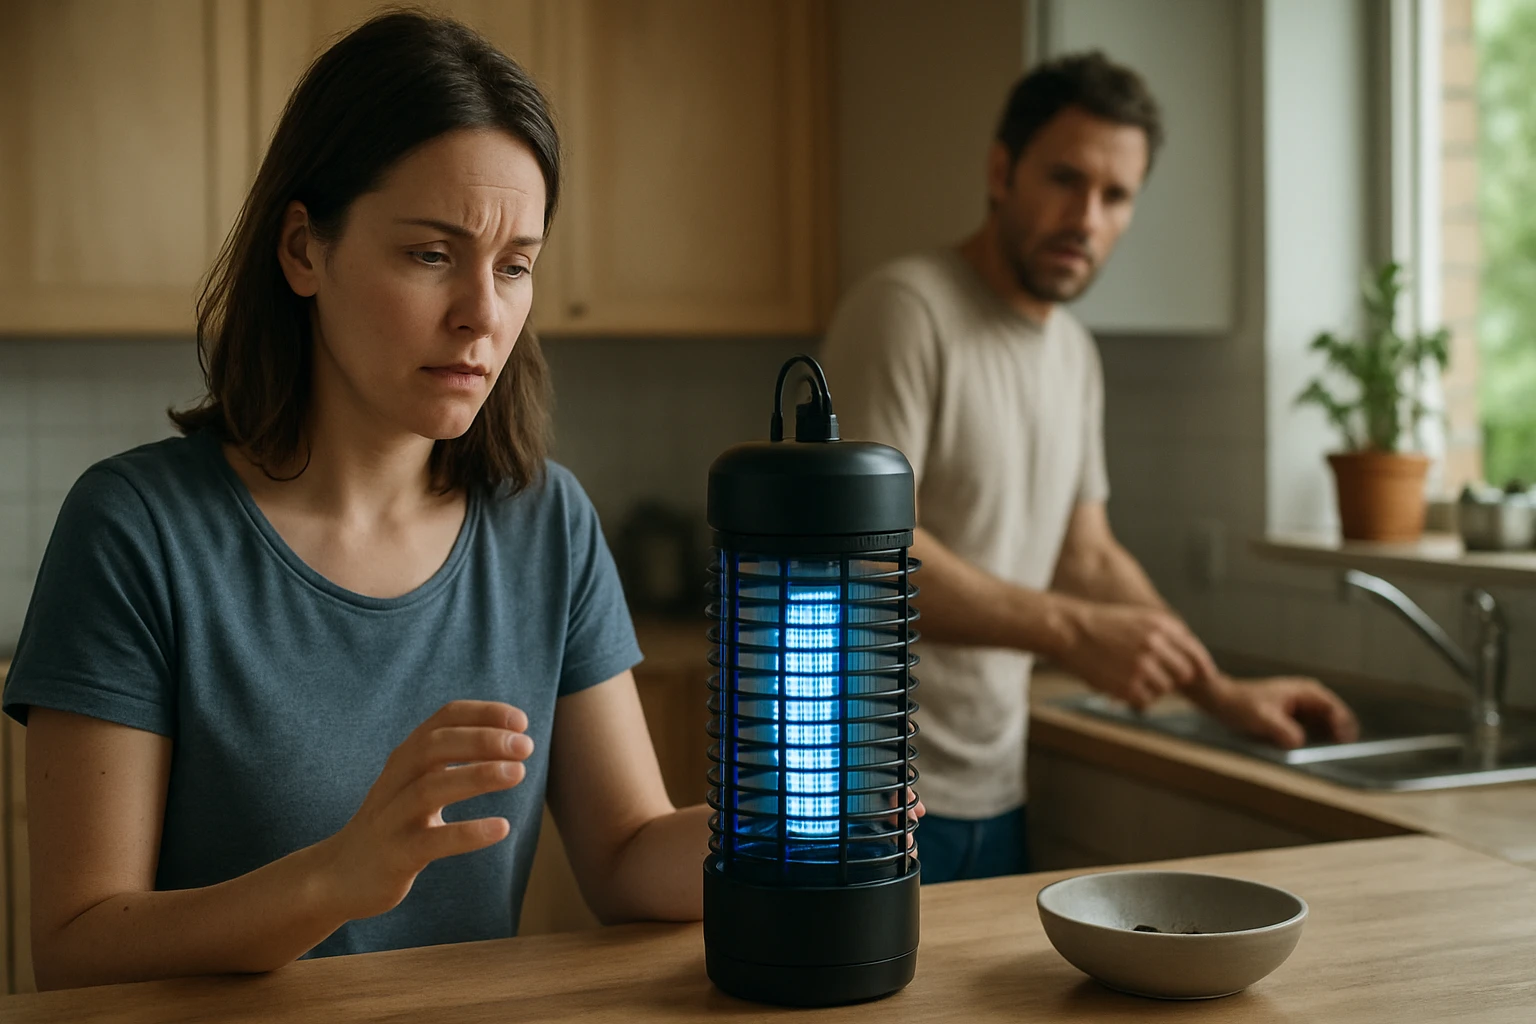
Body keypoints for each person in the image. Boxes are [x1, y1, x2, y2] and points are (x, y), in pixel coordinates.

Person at [1, 13, 711, 990]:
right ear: (303, 250)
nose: (482, 313)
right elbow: (77, 946)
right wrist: (338, 876)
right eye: (431, 254)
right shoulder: (137, 529)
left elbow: (628, 853)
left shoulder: (548, 522)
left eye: (515, 266)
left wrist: (793, 827)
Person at [816, 51, 1360, 886]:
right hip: (867, 795)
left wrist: (1220, 691)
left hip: (996, 788)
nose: (1086, 217)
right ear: (1002, 171)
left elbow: (1088, 554)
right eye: (1064, 180)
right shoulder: (906, 311)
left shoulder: (1073, 352)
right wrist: (1073, 631)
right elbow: (866, 554)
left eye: (1115, 196)